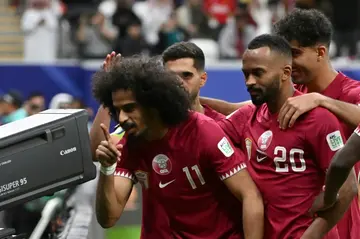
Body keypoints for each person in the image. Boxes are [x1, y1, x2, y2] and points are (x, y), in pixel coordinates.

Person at [200, 9, 360, 238]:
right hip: (296, 220)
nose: (288, 62)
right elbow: (241, 109)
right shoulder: (292, 94)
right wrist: (195, 100)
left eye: (294, 53)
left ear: (320, 52)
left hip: (338, 215)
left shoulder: (350, 92)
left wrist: (322, 100)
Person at [93, 56, 264, 238]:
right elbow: (108, 218)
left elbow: (250, 195)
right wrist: (106, 168)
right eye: (117, 110)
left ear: (153, 104)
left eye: (129, 108)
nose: (121, 119)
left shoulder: (203, 131)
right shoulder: (128, 144)